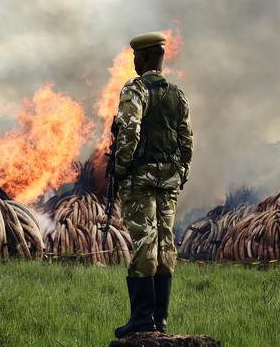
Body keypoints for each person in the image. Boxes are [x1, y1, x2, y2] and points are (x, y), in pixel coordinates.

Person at [112, 32, 194, 338]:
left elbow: (129, 132)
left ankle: (142, 318)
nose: (133, 61)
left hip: (141, 180)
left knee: (144, 244)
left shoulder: (135, 89)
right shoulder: (177, 93)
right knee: (165, 244)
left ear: (144, 57)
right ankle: (160, 319)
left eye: (136, 56)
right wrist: (181, 172)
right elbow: (187, 140)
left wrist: (120, 169)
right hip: (168, 182)